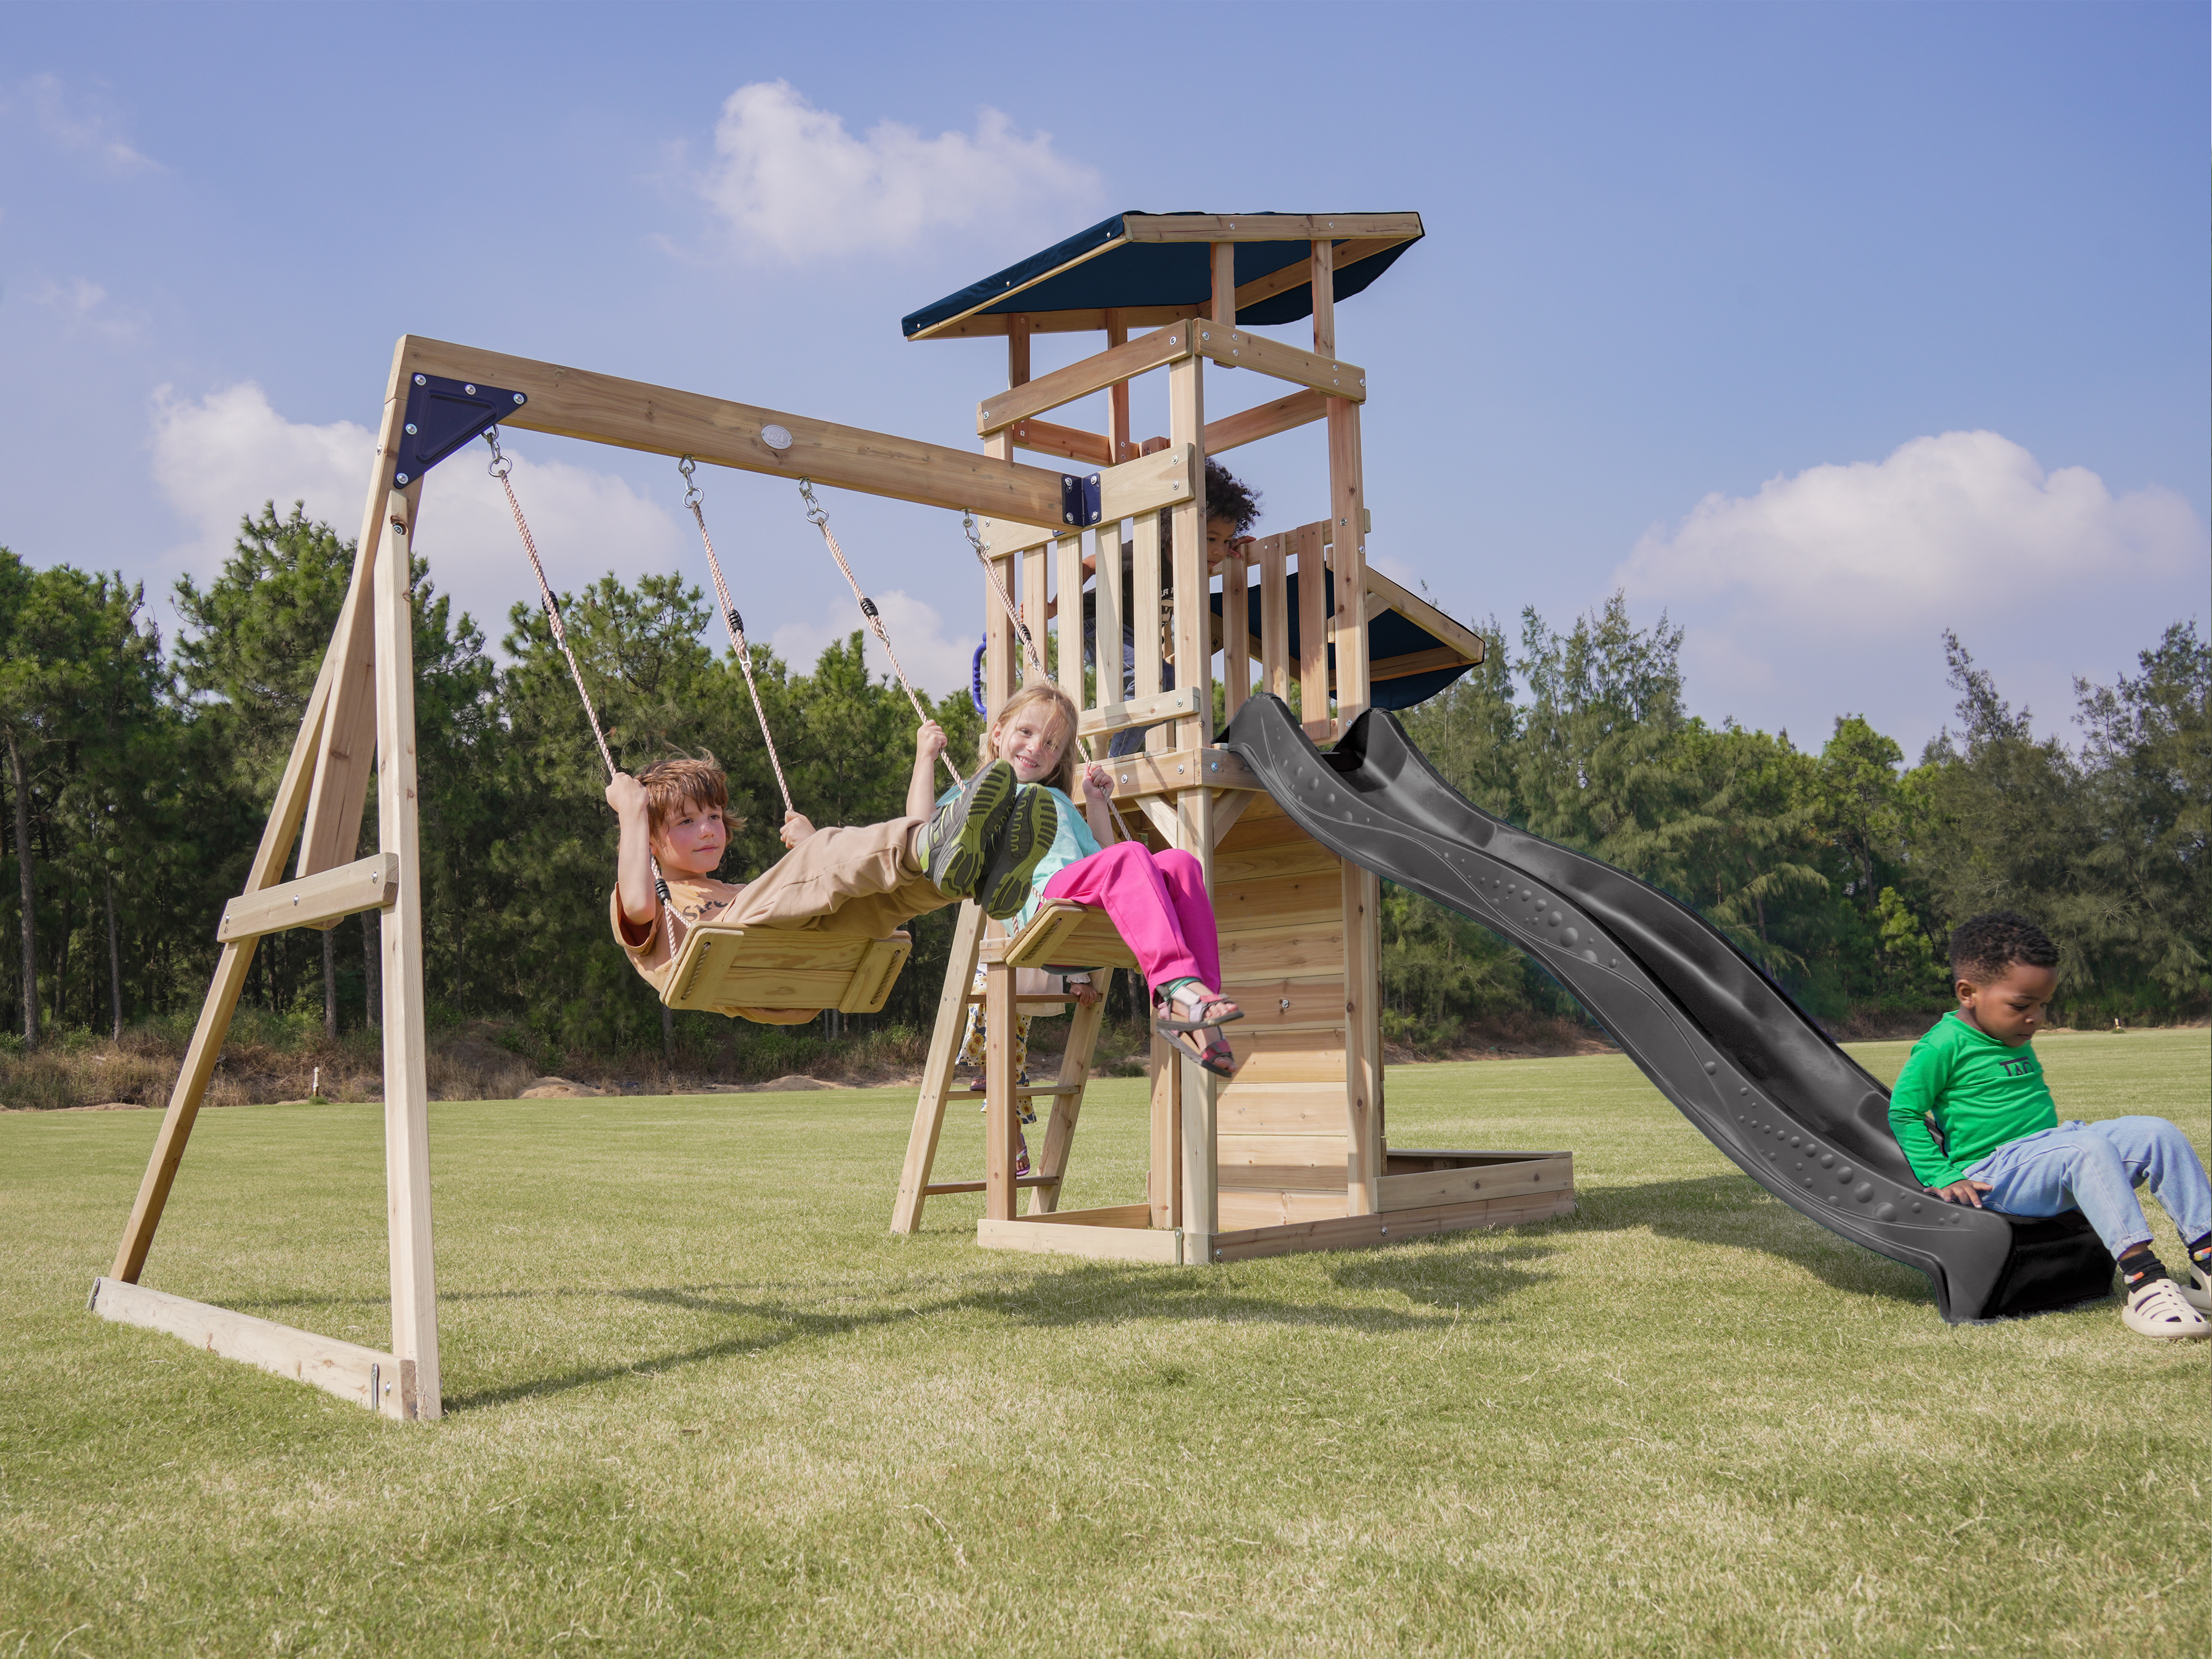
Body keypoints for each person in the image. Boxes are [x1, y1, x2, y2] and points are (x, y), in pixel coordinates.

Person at [1888, 911, 2211, 1340]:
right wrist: (1942, 1173)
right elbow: (1904, 1112)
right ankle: (2145, 1282)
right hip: (1996, 1174)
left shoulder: (2009, 1034)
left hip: (2050, 1149)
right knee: (2087, 1150)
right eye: (2022, 1006)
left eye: (2043, 1004)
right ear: (1968, 993)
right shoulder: (1941, 1045)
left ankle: (2205, 1262)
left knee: (2156, 1132)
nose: (2036, 1017)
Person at [606, 736, 1057, 1022]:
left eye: (713, 816)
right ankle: (927, 841)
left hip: (802, 967)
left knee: (879, 902)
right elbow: (642, 908)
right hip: (732, 963)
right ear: (648, 840)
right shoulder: (648, 895)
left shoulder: (736, 892)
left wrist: (810, 848)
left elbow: (816, 891)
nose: (706, 829)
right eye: (685, 822)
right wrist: (632, 813)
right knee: (820, 856)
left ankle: (979, 874)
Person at [950, 682, 1240, 1077]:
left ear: (1059, 759)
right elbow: (923, 830)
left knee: (1180, 864)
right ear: (998, 733)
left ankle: (1198, 1011)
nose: (1037, 747)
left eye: (1052, 744)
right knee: (1134, 854)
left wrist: (1098, 805)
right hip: (1041, 905)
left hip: (1085, 907)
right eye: (1026, 732)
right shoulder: (978, 794)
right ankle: (1176, 989)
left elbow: (1107, 862)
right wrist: (924, 759)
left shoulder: (1061, 803)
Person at [1081, 460, 1262, 758]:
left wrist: (1226, 548)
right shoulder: (1142, 553)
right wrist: (1051, 606)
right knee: (1151, 683)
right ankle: (1115, 758)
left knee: (1178, 691)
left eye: (1225, 539)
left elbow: (1214, 550)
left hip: (1135, 639)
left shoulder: (1194, 563)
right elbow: (1089, 563)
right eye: (1210, 538)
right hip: (1098, 623)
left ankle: (1114, 727)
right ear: (1178, 526)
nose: (1218, 550)